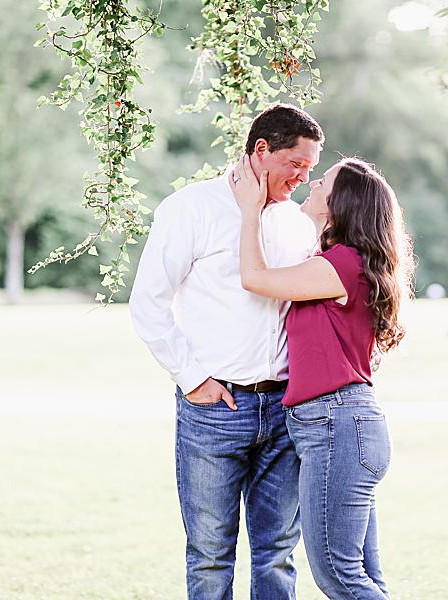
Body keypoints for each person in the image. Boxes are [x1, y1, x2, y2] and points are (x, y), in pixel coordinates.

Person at [130, 103, 324, 600]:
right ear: (262, 150)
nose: (303, 179)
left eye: (310, 170)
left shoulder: (297, 225)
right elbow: (148, 304)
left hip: (285, 410)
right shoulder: (190, 208)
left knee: (277, 554)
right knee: (211, 555)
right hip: (215, 410)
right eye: (296, 165)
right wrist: (193, 378)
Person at [229, 154, 414, 600]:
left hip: (336, 428)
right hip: (346, 427)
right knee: (363, 577)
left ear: (340, 205)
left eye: (322, 183)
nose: (310, 185)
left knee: (338, 575)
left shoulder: (341, 266)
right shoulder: (341, 261)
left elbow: (255, 278)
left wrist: (250, 210)